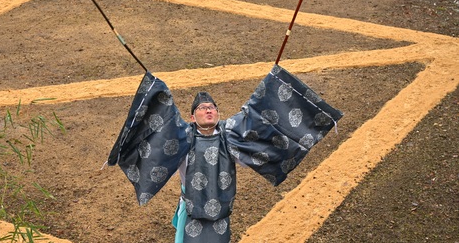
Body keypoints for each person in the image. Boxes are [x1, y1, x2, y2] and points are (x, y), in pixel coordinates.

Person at [106, 65, 343, 242]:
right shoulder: (181, 138)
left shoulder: (232, 136)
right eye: (202, 109)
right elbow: (157, 133)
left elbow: (260, 130)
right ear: (192, 117)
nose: (208, 111)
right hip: (191, 210)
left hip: (220, 210)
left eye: (212, 108)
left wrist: (270, 89)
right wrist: (156, 88)